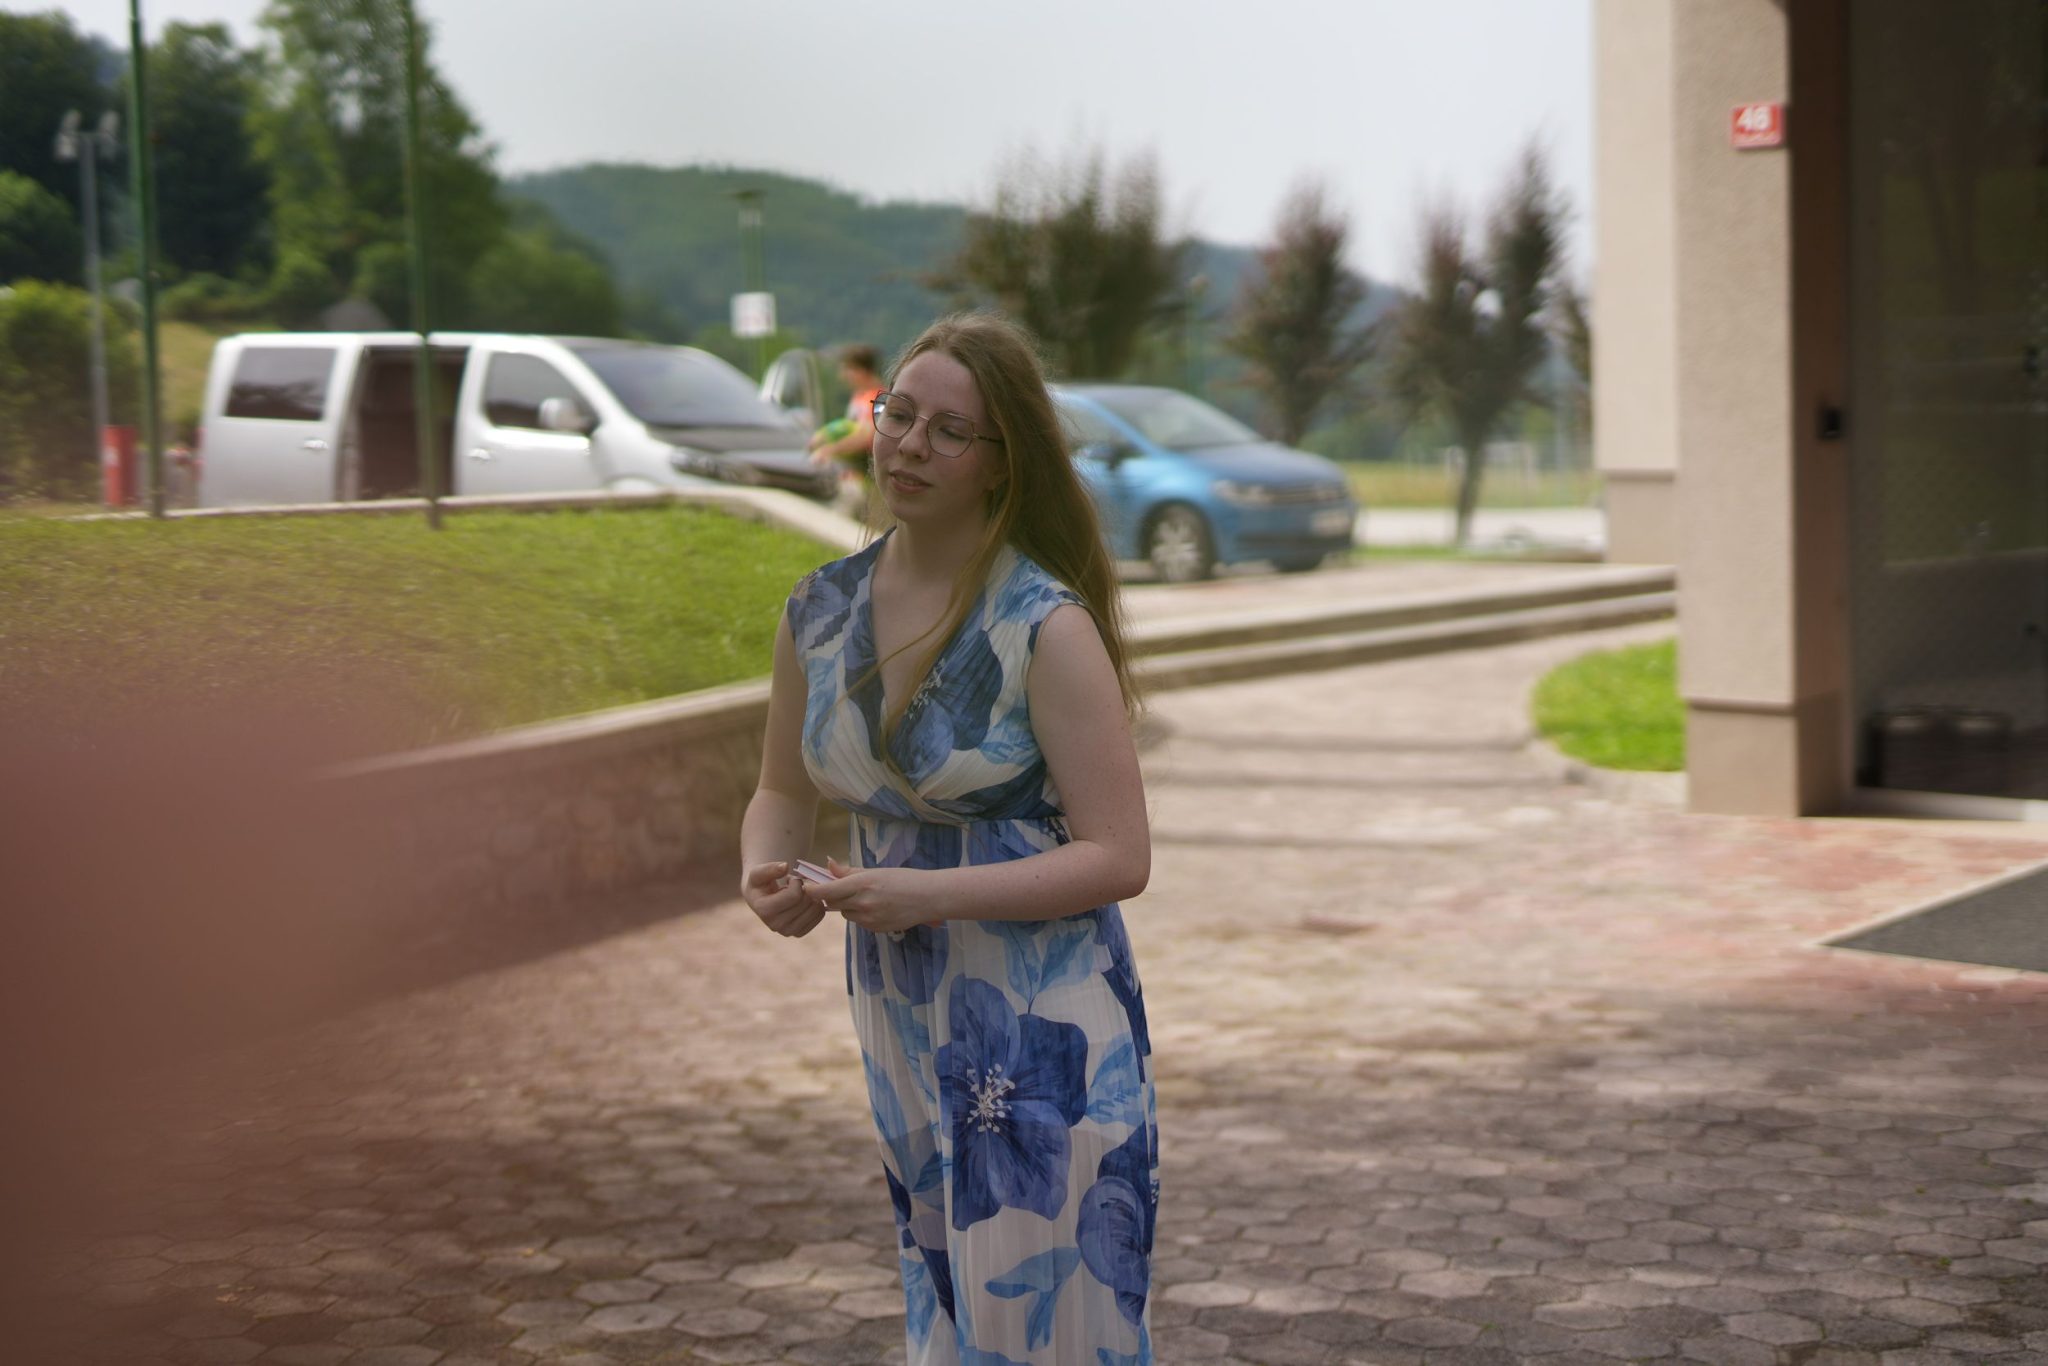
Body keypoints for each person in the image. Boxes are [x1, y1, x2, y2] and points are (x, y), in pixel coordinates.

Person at [739, 313, 1159, 1365]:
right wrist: (765, 870)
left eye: (949, 431)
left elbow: (1120, 856)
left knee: (1042, 1327)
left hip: (1041, 1027)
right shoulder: (817, 610)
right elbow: (779, 790)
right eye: (899, 414)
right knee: (948, 1315)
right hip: (899, 1010)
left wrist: (929, 896)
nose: (908, 445)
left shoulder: (1044, 624)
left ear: (1001, 461)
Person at [809, 343, 886, 520]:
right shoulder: (859, 396)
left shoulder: (877, 398)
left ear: (862, 371)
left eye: (847, 369)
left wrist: (828, 450)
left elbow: (866, 435)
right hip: (852, 472)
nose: (843, 375)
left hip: (866, 476)